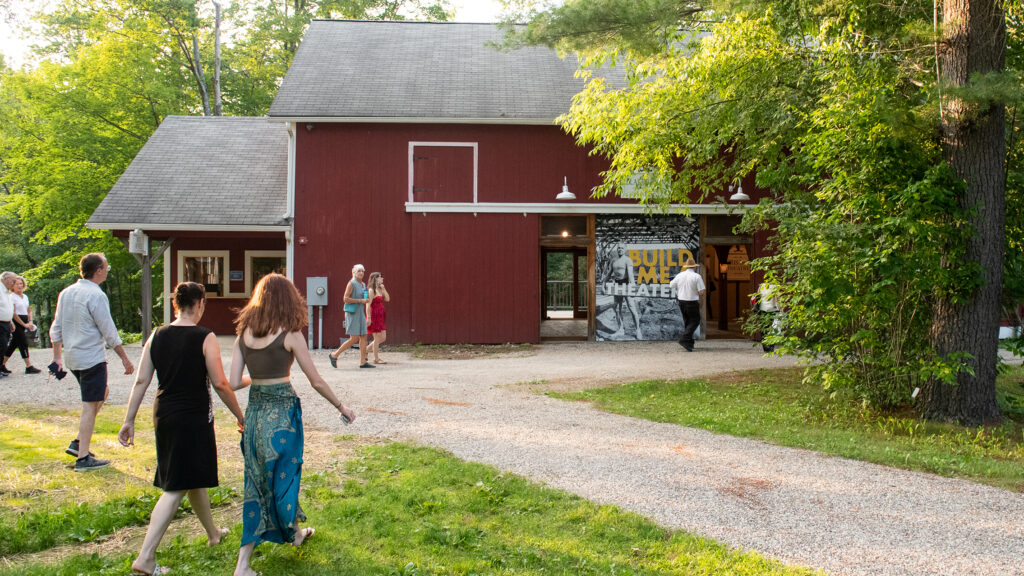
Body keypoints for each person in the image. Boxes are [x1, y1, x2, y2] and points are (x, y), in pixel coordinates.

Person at [230, 273, 356, 576]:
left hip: (255, 415)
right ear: (289, 300)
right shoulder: (290, 334)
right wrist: (342, 406)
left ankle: (290, 537)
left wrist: (258, 379)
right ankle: (243, 565)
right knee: (284, 478)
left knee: (258, 484)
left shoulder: (243, 334)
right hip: (283, 417)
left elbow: (233, 382)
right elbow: (316, 380)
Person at [118, 282, 244, 576]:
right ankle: (146, 557)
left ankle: (213, 534)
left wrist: (129, 419)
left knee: (191, 476)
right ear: (199, 303)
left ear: (176, 304)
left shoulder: (157, 335)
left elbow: (141, 381)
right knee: (175, 485)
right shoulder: (205, 336)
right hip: (193, 417)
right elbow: (220, 383)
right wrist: (241, 414)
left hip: (164, 414)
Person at [50, 253, 135, 471]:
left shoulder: (66, 293)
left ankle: (78, 442)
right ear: (98, 270)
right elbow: (108, 329)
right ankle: (83, 457)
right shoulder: (96, 295)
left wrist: (58, 357)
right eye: (106, 266)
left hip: (73, 357)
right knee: (89, 405)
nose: (108, 269)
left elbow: (56, 328)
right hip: (91, 358)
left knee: (102, 392)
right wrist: (125, 358)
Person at [328, 264, 374, 369]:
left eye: (362, 271)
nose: (361, 273)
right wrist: (360, 300)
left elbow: (363, 297)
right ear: (353, 272)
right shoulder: (351, 283)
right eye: (359, 271)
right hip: (352, 313)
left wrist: (366, 299)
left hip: (360, 312)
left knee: (363, 336)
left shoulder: (363, 284)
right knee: (354, 338)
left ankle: (363, 362)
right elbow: (345, 298)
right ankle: (334, 355)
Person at [4, 276, 41, 374]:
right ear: (13, 286)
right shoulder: (12, 297)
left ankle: (2, 364)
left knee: (13, 345)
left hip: (25, 320)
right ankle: (29, 366)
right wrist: (24, 325)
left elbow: (29, 310)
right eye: (17, 284)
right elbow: (14, 313)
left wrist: (30, 321)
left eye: (21, 283)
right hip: (17, 322)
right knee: (23, 343)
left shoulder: (25, 297)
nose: (19, 286)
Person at [669, 259, 706, 352]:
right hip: (692, 301)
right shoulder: (697, 276)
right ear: (694, 267)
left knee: (687, 321)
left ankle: (689, 343)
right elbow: (701, 291)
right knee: (695, 320)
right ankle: (684, 339)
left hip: (681, 301)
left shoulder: (679, 275)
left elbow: (671, 285)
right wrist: (698, 293)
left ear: (686, 267)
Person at [608, 245, 643, 340]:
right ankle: (621, 329)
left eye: (622, 248)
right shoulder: (613, 260)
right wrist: (603, 283)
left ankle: (638, 330)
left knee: (632, 308)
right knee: (617, 308)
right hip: (617, 286)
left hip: (627, 285)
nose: (620, 249)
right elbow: (608, 273)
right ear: (617, 249)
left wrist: (633, 287)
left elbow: (631, 275)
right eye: (618, 248)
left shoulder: (628, 260)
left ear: (625, 250)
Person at [365, 271, 390, 364]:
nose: (382, 278)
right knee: (376, 337)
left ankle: (366, 350)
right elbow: (368, 304)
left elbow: (387, 299)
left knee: (383, 337)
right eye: (380, 277)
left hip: (380, 316)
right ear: (375, 279)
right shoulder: (371, 290)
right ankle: (376, 358)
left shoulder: (380, 289)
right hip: (374, 315)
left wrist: (383, 289)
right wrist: (369, 317)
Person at [0, 272, 16, 379]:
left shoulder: (6, 292)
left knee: (3, 346)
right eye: (13, 281)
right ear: (5, 279)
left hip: (5, 322)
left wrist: (10, 320)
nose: (14, 283)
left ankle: (1, 367)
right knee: (1, 346)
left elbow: (8, 307)